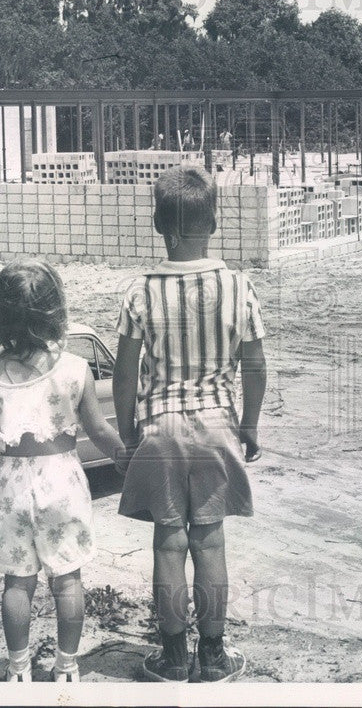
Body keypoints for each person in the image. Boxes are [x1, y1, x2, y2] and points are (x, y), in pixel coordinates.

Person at [113, 166, 266, 683]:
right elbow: (255, 365)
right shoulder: (238, 286)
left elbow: (124, 371)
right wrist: (250, 425)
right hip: (218, 426)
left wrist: (128, 430)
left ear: (161, 226)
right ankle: (215, 656)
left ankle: (174, 657)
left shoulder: (140, 291)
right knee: (211, 543)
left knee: (168, 543)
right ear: (214, 222)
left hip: (159, 427)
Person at [0, 259, 126, 683]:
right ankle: (66, 666)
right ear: (55, 312)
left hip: (11, 485)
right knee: (68, 579)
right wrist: (123, 456)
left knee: (17, 584)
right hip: (62, 481)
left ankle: (19, 669)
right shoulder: (74, 369)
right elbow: (97, 428)